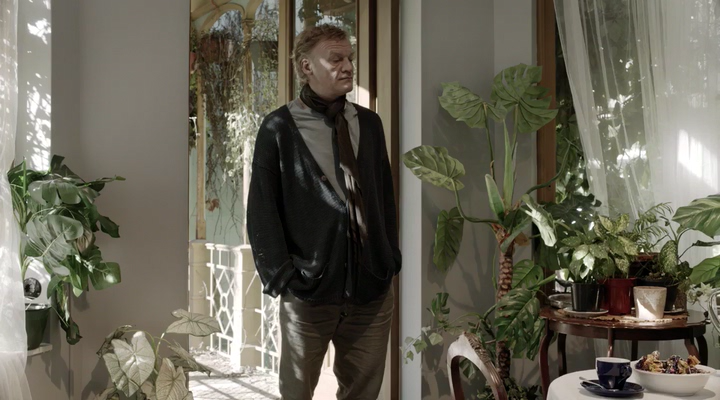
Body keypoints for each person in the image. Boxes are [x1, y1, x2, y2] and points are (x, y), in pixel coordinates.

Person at [246, 24, 401, 400]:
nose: (348, 66)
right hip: (308, 293)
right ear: (306, 67)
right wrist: (284, 277)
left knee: (363, 394)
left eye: (349, 58)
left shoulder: (370, 124)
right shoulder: (278, 128)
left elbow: (383, 198)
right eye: (336, 59)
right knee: (296, 393)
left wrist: (388, 258)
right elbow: (262, 211)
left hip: (371, 290)